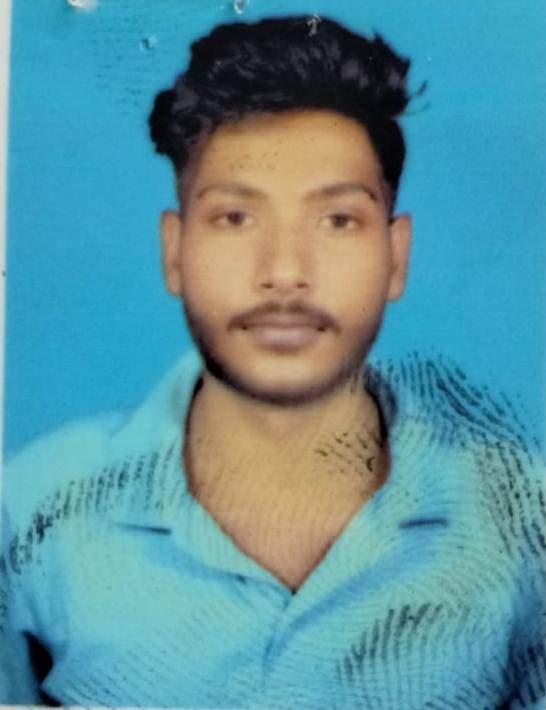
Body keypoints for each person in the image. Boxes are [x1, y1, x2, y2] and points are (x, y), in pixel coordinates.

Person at [1, 14, 544, 709]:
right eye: (235, 218)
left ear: (395, 256)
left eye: (338, 220)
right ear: (174, 250)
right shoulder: (32, 510)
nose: (285, 272)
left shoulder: (522, 519)